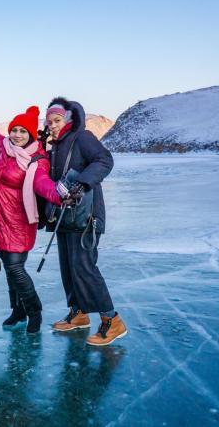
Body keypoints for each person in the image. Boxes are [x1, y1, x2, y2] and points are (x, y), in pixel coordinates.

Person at [0, 82, 62, 333]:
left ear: (30, 134)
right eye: (14, 130)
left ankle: (34, 311)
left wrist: (60, 195)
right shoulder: (4, 147)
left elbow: (43, 184)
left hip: (19, 220)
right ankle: (17, 311)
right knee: (9, 268)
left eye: (22, 131)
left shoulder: (37, 159)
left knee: (16, 267)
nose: (16, 135)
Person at [44, 97, 128, 346]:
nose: (52, 125)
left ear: (68, 119)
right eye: (49, 122)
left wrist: (82, 182)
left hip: (86, 216)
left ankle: (112, 320)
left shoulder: (82, 137)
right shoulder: (56, 146)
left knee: (84, 268)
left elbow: (104, 160)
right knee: (68, 268)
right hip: (65, 216)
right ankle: (79, 313)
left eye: (57, 120)